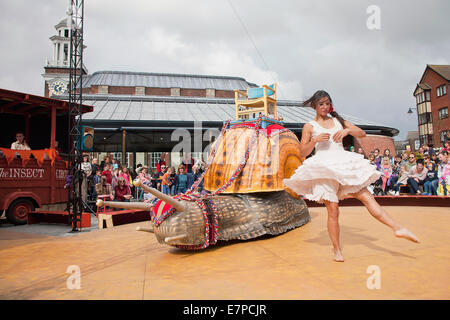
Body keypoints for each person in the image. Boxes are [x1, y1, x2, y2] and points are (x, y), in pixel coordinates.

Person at [282, 90, 419, 262]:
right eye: (321, 104)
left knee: (367, 197)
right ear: (315, 106)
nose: (324, 107)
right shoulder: (309, 126)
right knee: (333, 210)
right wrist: (315, 141)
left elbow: (361, 134)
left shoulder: (338, 121)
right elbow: (302, 152)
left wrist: (347, 131)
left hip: (343, 165)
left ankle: (397, 228)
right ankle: (337, 250)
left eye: (327, 103)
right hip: (323, 168)